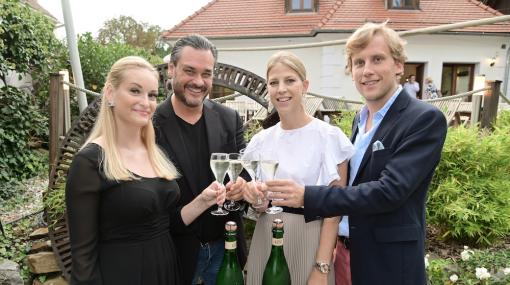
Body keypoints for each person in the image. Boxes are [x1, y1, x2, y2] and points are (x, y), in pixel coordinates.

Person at [265, 22, 448, 285]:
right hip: (347, 256)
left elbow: (389, 191)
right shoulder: (359, 122)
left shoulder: (423, 119)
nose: (367, 70)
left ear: (398, 65)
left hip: (388, 264)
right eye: (359, 62)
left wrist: (308, 195)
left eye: (377, 59)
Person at [65, 56, 226, 285]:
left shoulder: (154, 153)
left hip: (167, 271)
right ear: (110, 94)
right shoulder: (90, 161)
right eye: (135, 91)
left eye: (151, 95)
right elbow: (82, 258)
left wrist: (203, 200)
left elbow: (165, 223)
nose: (146, 102)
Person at [241, 51, 354, 285]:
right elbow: (258, 203)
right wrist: (255, 197)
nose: (281, 89)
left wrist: (322, 267)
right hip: (266, 237)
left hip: (310, 239)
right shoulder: (260, 141)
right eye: (274, 82)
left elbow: (334, 212)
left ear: (304, 85)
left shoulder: (330, 138)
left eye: (289, 80)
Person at [153, 34, 248, 285]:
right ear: (171, 70)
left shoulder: (229, 119)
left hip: (225, 253)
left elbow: (244, 173)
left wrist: (241, 188)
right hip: (177, 256)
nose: (198, 81)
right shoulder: (149, 125)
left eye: (206, 73)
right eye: (189, 71)